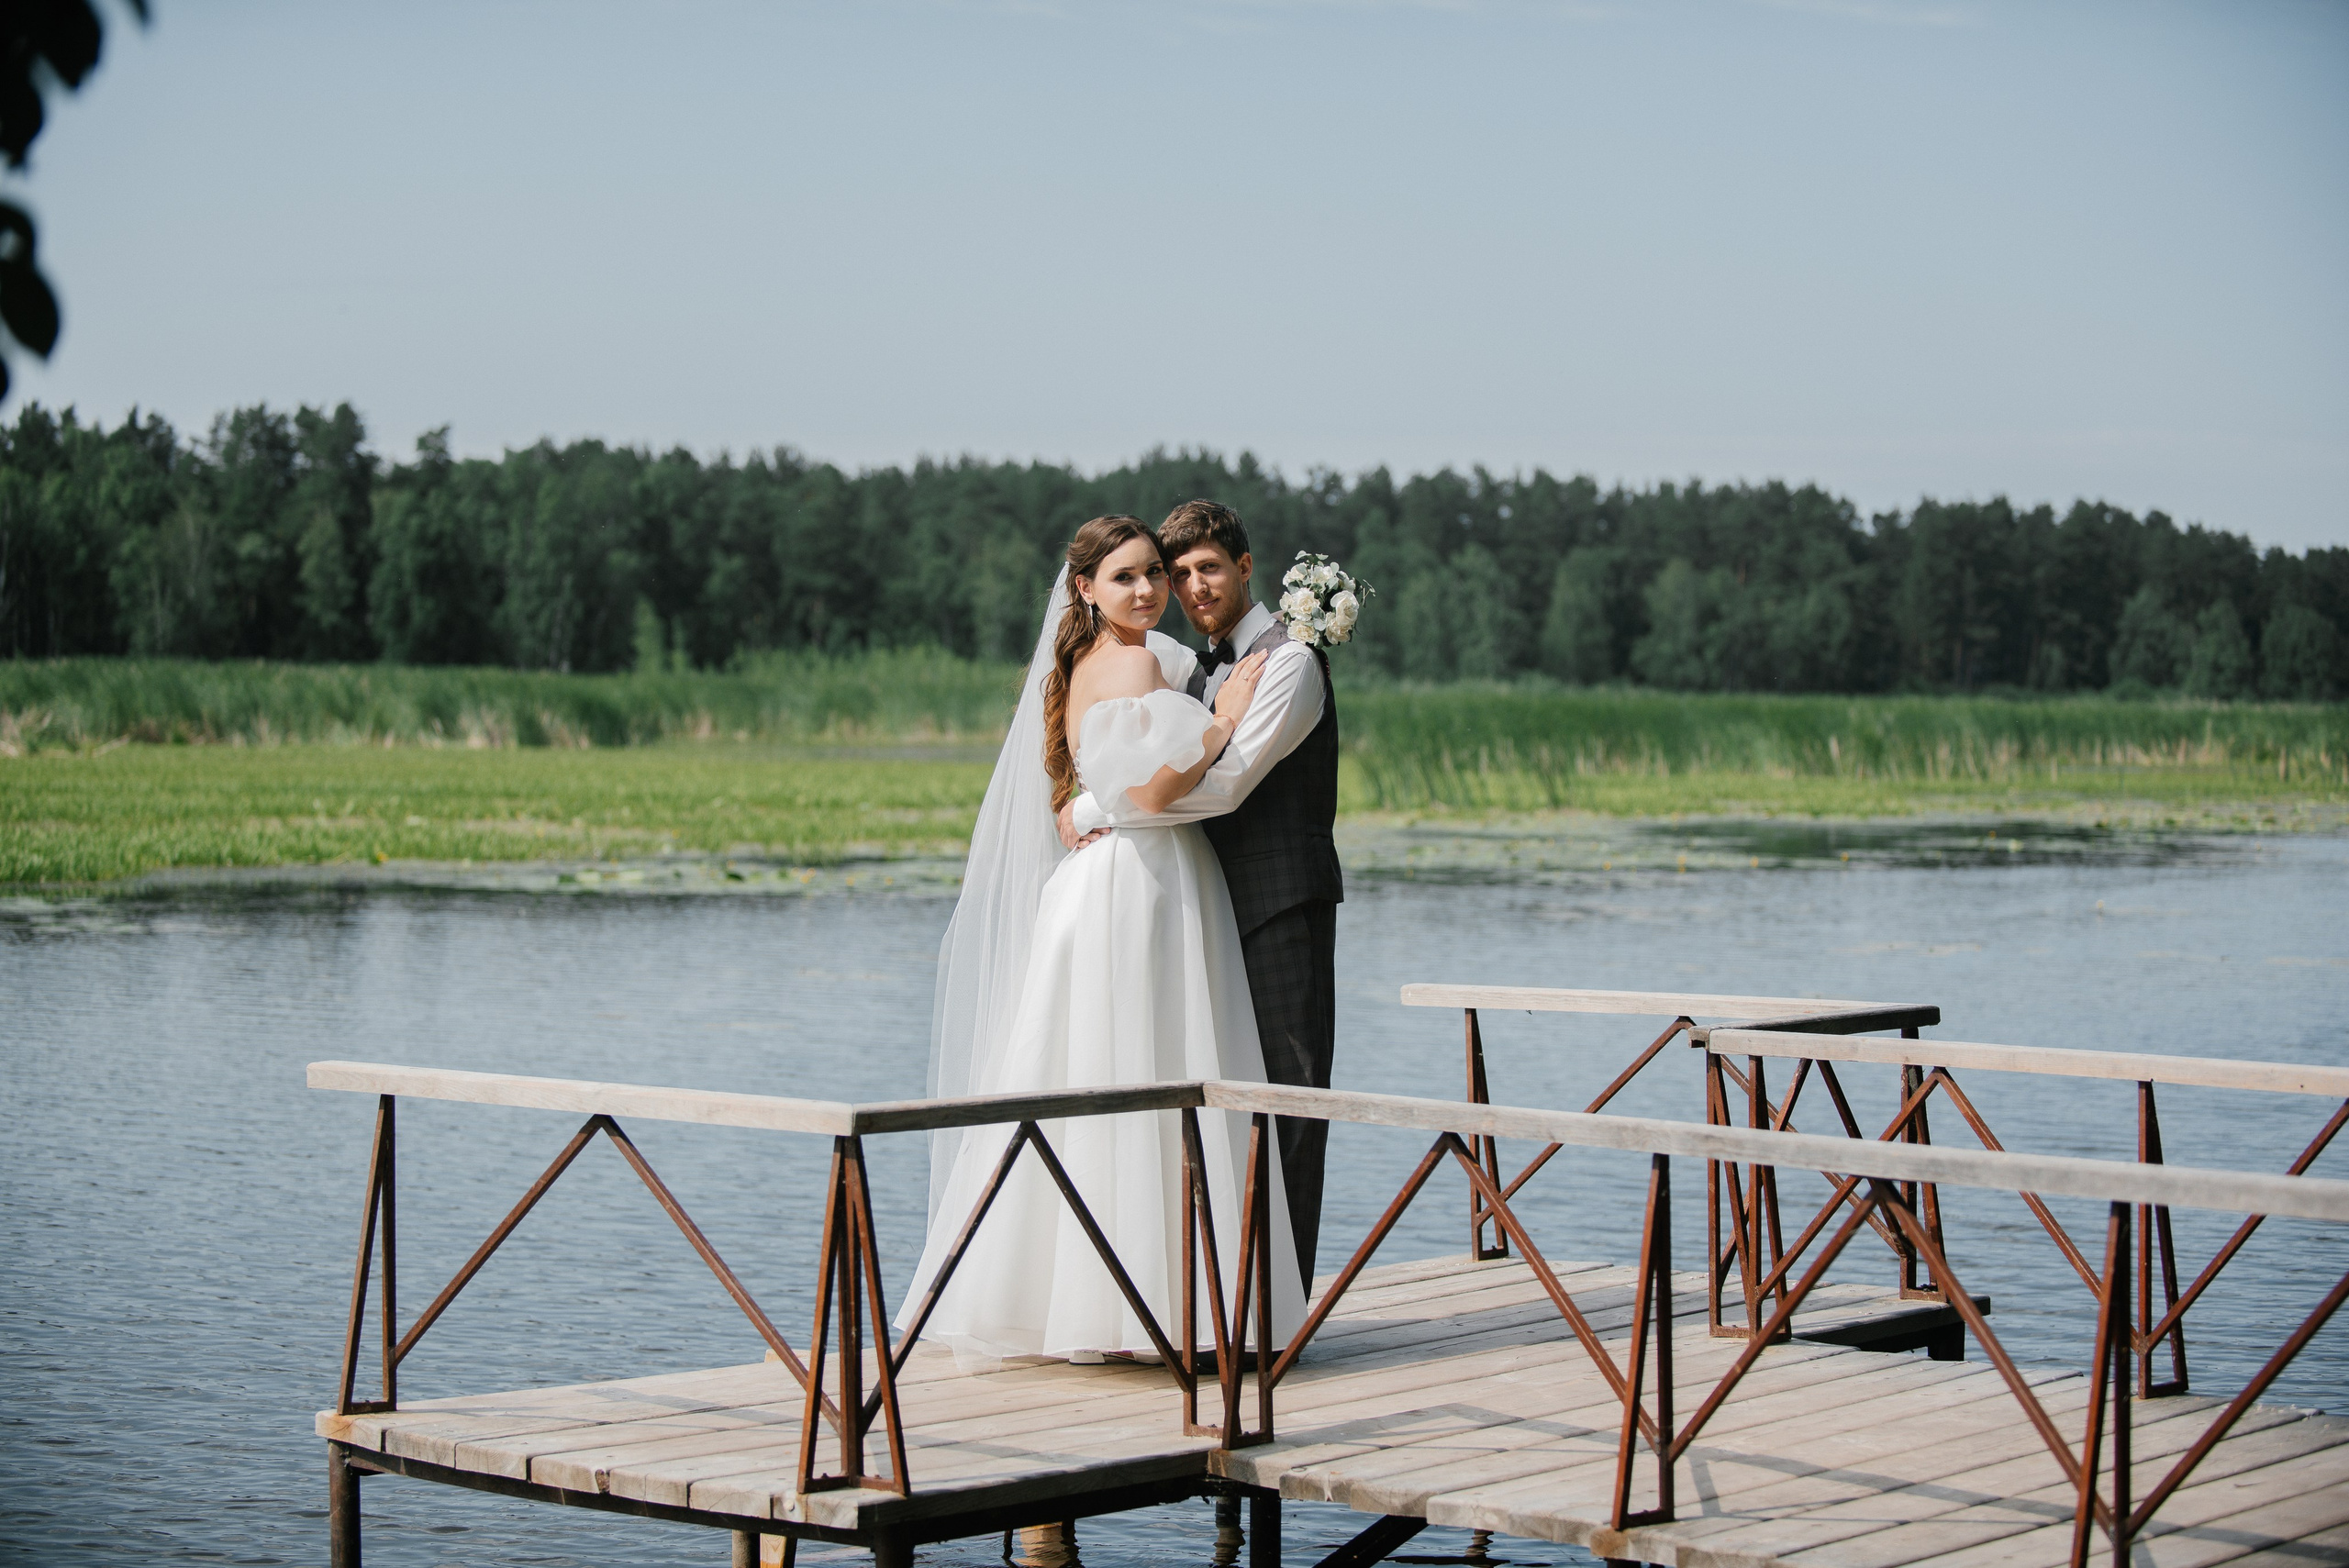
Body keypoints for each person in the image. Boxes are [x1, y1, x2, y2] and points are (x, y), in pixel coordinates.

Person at [900, 515, 1308, 1364]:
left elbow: (1104, 788)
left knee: (1088, 1066)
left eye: (1153, 572)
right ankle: (1169, 1302)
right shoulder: (1134, 660)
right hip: (1144, 878)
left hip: (1103, 882)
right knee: (1153, 1067)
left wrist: (1088, 804)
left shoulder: (1085, 665)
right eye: (1125, 577)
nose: (1150, 589)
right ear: (1084, 588)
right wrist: (1223, 717)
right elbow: (1157, 793)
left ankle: (1067, 1300)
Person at [1059, 501, 1341, 1293]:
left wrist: (1090, 810)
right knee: (1205, 1100)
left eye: (1204, 568)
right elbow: (1116, 735)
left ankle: (1273, 1309)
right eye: (1173, 573)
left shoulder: (1287, 664)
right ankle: (1209, 1294)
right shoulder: (1192, 661)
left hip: (1279, 904)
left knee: (1285, 1103)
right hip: (1195, 910)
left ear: (1246, 567)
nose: (1186, 586)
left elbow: (1223, 789)